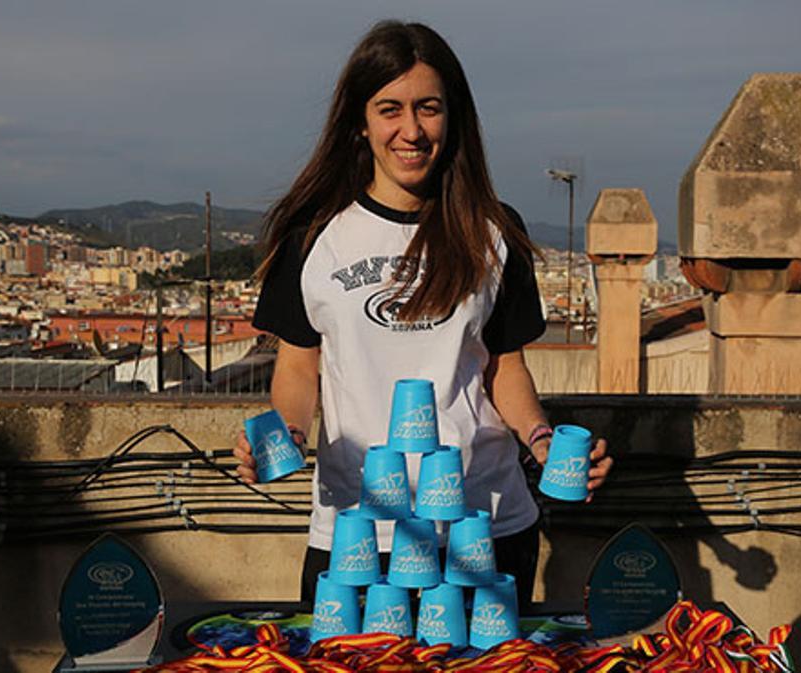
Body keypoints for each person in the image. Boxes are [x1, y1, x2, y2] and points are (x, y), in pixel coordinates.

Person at [234, 20, 612, 609]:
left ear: (452, 117)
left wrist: (541, 440)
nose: (410, 130)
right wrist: (284, 436)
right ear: (360, 122)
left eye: (428, 108)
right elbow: (299, 370)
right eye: (390, 109)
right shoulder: (313, 236)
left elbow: (502, 368)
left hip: (482, 525)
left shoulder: (493, 231)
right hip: (360, 533)